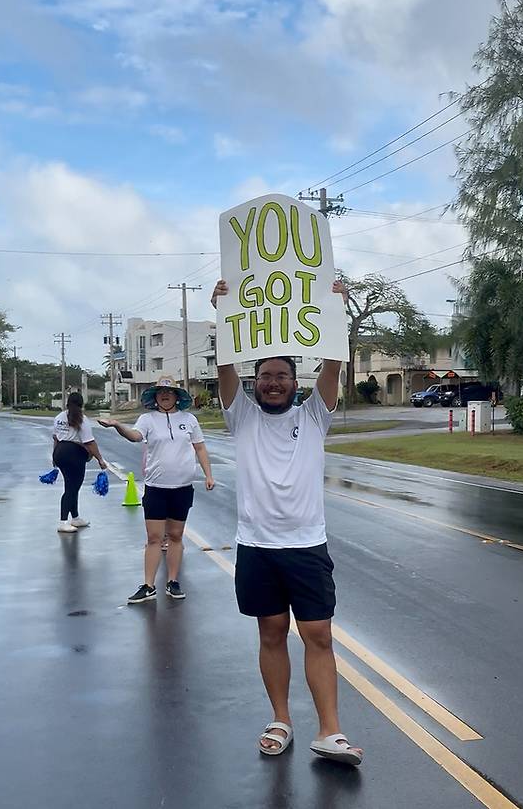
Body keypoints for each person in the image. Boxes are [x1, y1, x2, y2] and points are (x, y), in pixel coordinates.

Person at [211, 279, 363, 766]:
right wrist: (224, 312)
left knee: (318, 635)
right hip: (256, 547)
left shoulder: (316, 415)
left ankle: (331, 733)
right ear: (255, 382)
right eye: (265, 376)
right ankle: (281, 719)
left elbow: (333, 365)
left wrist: (336, 311)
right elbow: (225, 368)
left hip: (305, 546)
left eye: (282, 375)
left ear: (296, 382)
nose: (273, 382)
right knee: (271, 633)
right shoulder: (242, 416)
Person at [98, 376, 215, 604]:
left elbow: (199, 448)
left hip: (182, 488)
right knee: (153, 538)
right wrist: (118, 425)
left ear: (176, 397)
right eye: (161, 392)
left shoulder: (189, 420)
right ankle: (149, 585)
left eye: (169, 392)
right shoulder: (147, 419)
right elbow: (135, 437)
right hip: (156, 488)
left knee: (175, 536)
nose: (165, 395)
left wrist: (208, 475)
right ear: (155, 397)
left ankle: (172, 581)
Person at [53, 392, 107, 534]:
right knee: (72, 488)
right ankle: (63, 521)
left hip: (59, 452)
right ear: (82, 404)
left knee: (71, 486)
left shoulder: (59, 417)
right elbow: (89, 442)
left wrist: (54, 457)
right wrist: (100, 459)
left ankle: (75, 517)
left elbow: (56, 438)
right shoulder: (82, 419)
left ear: (67, 403)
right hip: (74, 454)